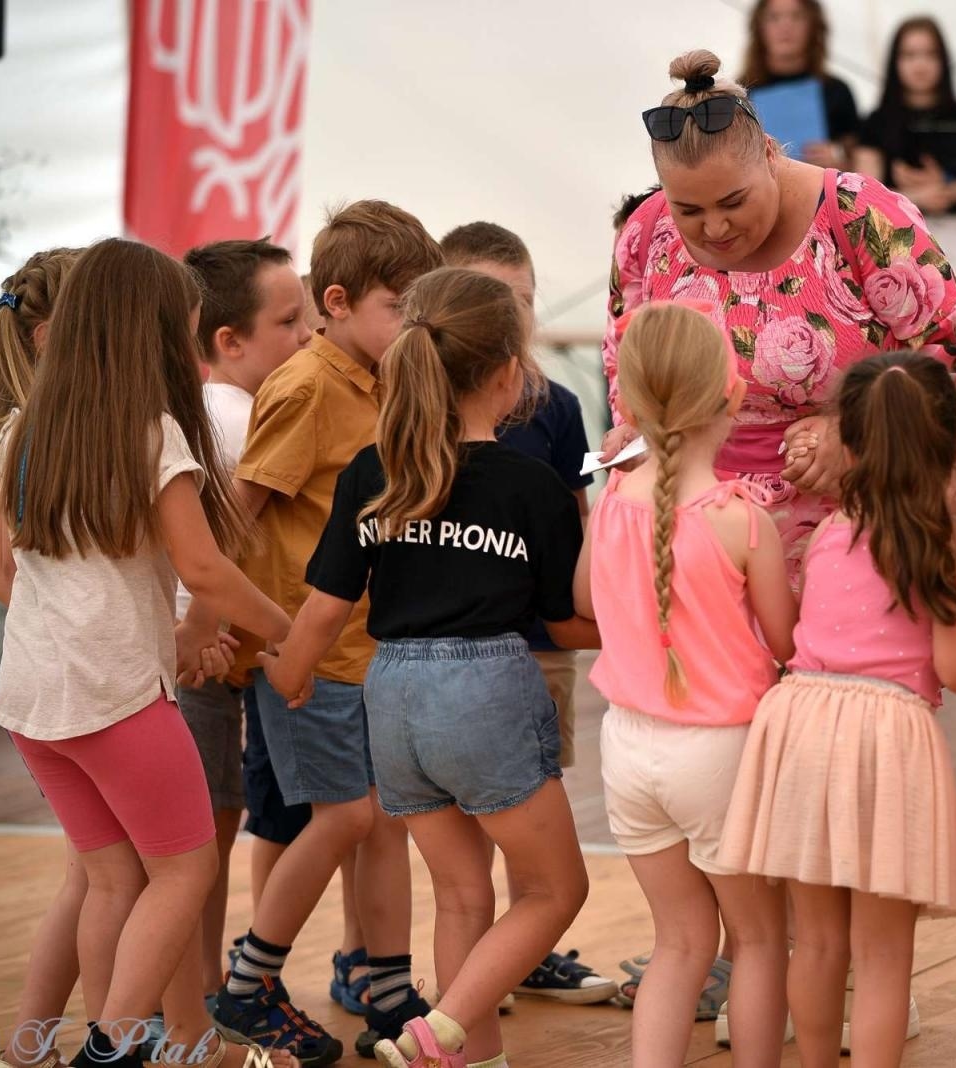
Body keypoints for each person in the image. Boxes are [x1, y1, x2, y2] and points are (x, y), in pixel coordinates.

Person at [262, 267, 598, 1068]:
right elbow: (562, 622)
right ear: (508, 374)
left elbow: (324, 605)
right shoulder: (533, 487)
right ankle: (437, 1033)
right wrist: (652, 631)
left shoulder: (373, 472)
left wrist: (291, 675)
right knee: (557, 891)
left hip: (393, 695)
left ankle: (473, 1058)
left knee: (460, 895)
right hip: (482, 692)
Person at [0, 238, 293, 1068]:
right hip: (115, 698)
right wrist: (287, 629)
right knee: (182, 878)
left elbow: (8, 570)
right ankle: (112, 1049)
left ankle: (152, 1044)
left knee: (115, 880)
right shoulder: (151, 431)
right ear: (151, 332)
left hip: (34, 706)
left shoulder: (24, 433)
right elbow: (201, 567)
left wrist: (181, 631)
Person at [206, 200, 444, 1065]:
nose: (409, 327)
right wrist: (222, 628)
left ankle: (388, 990)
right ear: (336, 301)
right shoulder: (305, 386)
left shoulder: (379, 380)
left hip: (370, 649)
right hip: (311, 653)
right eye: (397, 309)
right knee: (345, 817)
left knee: (381, 823)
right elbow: (239, 515)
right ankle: (247, 983)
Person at [721, 351, 956, 1067]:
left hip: (802, 722)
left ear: (846, 437)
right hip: (888, 738)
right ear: (947, 436)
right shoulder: (948, 540)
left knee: (813, 941)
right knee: (881, 952)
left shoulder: (829, 533)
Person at [607, 48, 956, 589]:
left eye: (734, 201)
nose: (716, 228)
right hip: (701, 547)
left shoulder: (859, 214)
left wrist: (857, 432)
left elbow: (952, 357)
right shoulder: (645, 233)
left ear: (771, 154)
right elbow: (624, 366)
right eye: (690, 210)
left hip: (855, 544)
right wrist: (633, 435)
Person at [579, 301, 794, 1065]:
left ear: (628, 406)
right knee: (762, 939)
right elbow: (786, 639)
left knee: (679, 942)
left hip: (627, 748)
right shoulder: (742, 519)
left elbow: (583, 603)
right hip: (722, 752)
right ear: (733, 398)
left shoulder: (611, 506)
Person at [439, 220, 616, 1007]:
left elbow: (577, 521)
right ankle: (476, 964)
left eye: (523, 301)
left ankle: (524, 946)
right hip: (453, 654)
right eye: (492, 301)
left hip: (540, 645)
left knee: (531, 797)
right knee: (462, 818)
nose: (512, 318)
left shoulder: (561, 406)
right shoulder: (417, 413)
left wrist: (595, 617)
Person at [177, 237, 312, 1002]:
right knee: (200, 843)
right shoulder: (232, 421)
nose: (304, 336)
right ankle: (197, 1004)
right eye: (289, 321)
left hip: (218, 650)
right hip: (205, 655)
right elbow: (218, 547)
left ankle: (200, 997)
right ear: (228, 341)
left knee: (214, 832)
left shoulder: (227, 411)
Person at [0, 249, 88, 1068]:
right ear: (49, 337)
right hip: (70, 693)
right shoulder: (33, 434)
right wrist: (76, 635)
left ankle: (34, 1047)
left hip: (53, 690)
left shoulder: (34, 428)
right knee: (113, 880)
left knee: (100, 877)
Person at [854, 16, 956, 289]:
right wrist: (916, 196)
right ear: (895, 62)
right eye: (910, 55)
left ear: (943, 60)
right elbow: (863, 197)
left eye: (929, 54)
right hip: (897, 240)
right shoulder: (877, 122)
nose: (920, 64)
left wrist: (948, 187)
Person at [738, 0, 859, 167]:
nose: (785, 26)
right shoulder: (739, 94)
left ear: (813, 26)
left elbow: (860, 159)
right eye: (774, 17)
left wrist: (839, 155)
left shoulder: (837, 91)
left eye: (797, 16)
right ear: (759, 27)